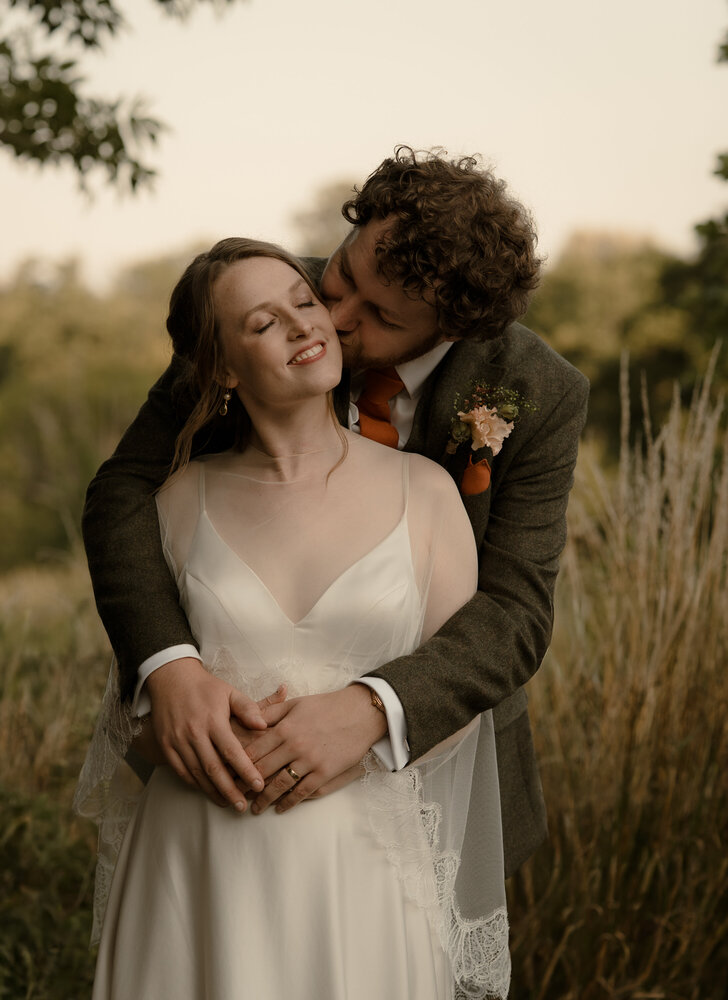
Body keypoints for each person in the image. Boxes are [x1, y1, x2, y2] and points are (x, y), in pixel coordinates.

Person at [81, 146, 589, 882]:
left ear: (451, 327)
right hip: (223, 780)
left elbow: (515, 611)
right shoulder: (258, 306)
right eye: (343, 276)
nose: (333, 317)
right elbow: (122, 492)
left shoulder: (536, 391)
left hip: (430, 759)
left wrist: (373, 710)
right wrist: (170, 664)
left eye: (378, 315)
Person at [76, 237, 509, 998]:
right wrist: (189, 728)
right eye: (262, 323)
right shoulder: (174, 504)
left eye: (304, 303)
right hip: (196, 863)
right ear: (220, 371)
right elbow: (132, 722)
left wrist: (359, 732)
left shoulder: (429, 492)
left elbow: (463, 699)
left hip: (365, 869)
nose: (303, 326)